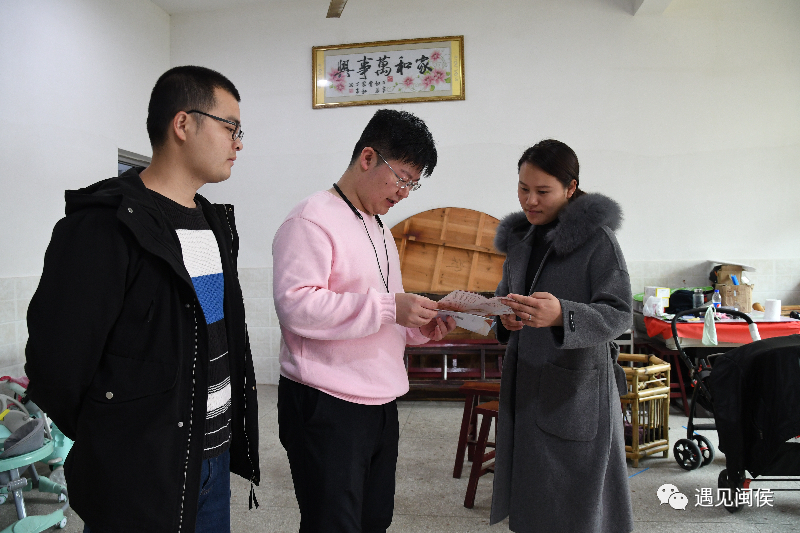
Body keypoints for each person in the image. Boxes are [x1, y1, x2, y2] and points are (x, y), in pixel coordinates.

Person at [24, 66, 260, 533]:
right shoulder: (104, 225)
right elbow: (56, 366)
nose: (239, 143)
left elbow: (215, 336)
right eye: (230, 127)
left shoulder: (213, 223)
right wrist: (119, 436)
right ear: (183, 124)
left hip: (212, 459)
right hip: (139, 473)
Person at [272, 109, 457, 533]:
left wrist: (420, 328)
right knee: (333, 524)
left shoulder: (379, 228)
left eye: (414, 183)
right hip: (326, 399)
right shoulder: (310, 218)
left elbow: (383, 310)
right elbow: (297, 306)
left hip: (379, 398)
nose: (405, 193)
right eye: (402, 178)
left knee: (374, 519)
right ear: (368, 158)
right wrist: (391, 309)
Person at [489, 139, 633, 533]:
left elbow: (619, 313)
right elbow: (505, 296)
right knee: (534, 495)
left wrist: (562, 315)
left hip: (575, 390)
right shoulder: (521, 239)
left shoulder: (597, 240)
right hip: (526, 383)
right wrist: (505, 316)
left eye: (542, 191)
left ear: (571, 188)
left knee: (577, 502)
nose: (530, 201)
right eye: (523, 188)